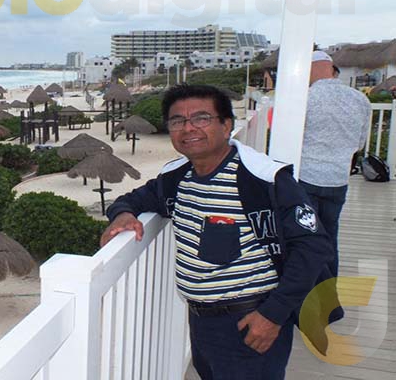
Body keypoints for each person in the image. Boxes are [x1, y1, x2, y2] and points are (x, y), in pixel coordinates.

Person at [101, 85, 334, 380]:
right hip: (201, 320)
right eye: (177, 121)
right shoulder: (176, 178)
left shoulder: (263, 180)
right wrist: (122, 215)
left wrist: (273, 314)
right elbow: (131, 199)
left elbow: (314, 247)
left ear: (226, 126)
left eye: (201, 118)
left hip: (251, 319)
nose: (188, 128)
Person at [300, 51, 371, 278]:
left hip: (306, 177)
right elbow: (360, 143)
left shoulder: (305, 98)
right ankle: (328, 294)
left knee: (305, 239)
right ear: (332, 69)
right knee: (330, 236)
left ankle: (308, 292)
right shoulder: (360, 99)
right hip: (338, 179)